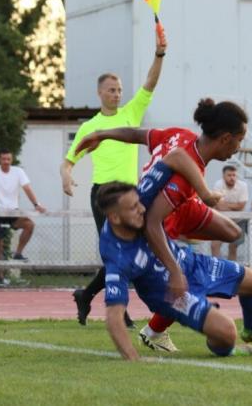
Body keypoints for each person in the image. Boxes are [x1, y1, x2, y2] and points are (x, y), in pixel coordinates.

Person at [75, 98, 248, 352]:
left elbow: (139, 135)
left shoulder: (178, 139)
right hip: (165, 228)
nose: (239, 148)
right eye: (239, 140)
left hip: (172, 212)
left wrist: (102, 133)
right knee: (218, 323)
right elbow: (152, 221)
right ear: (225, 138)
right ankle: (159, 325)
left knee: (233, 232)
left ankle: (183, 284)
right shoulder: (127, 243)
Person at [99, 167, 252, 360]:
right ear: (115, 218)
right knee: (227, 332)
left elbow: (176, 157)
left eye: (139, 203)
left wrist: (204, 192)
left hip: (192, 264)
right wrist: (133, 359)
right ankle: (228, 348)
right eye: (133, 208)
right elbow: (114, 317)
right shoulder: (117, 256)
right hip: (173, 295)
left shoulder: (141, 200)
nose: (142, 209)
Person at [60, 28, 167, 329]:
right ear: (99, 93)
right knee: (117, 251)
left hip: (132, 194)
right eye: (111, 90)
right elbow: (68, 162)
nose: (117, 94)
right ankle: (118, 307)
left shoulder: (131, 114)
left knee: (130, 251)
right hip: (104, 196)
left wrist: (159, 54)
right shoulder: (90, 127)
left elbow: (150, 82)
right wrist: (66, 177)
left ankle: (88, 295)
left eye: (119, 89)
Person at [0, 149, 46, 286]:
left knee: (29, 225)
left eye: (8, 159)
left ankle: (18, 253)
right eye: (3, 159)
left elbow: (27, 188)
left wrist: (36, 204)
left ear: (11, 160)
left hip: (13, 213)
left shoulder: (18, 172)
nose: (6, 162)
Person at [210, 165, 248, 261]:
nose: (232, 178)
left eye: (234, 175)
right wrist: (235, 206)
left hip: (238, 221)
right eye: (229, 175)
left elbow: (241, 206)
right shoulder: (218, 184)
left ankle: (232, 271)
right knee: (214, 245)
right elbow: (218, 205)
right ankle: (217, 268)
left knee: (233, 247)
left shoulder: (243, 186)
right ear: (223, 176)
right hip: (221, 220)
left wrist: (226, 206)